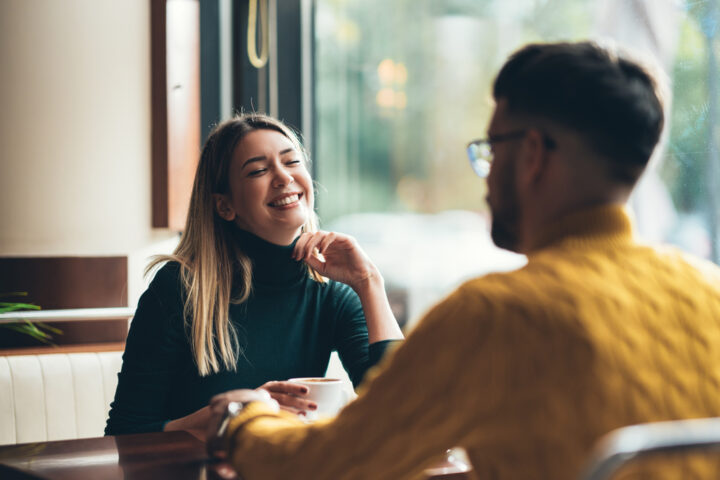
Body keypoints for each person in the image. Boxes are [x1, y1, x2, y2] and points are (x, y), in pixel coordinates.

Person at [206, 41, 720, 479]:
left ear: (534, 155)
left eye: (492, 150)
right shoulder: (710, 290)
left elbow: (330, 466)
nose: (487, 175)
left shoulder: (499, 313)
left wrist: (242, 418)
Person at [105, 114, 403, 437]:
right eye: (259, 170)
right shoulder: (179, 288)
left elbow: (404, 410)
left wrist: (369, 281)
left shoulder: (329, 294)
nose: (283, 177)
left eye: (292, 162)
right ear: (224, 206)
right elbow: (124, 433)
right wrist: (222, 417)